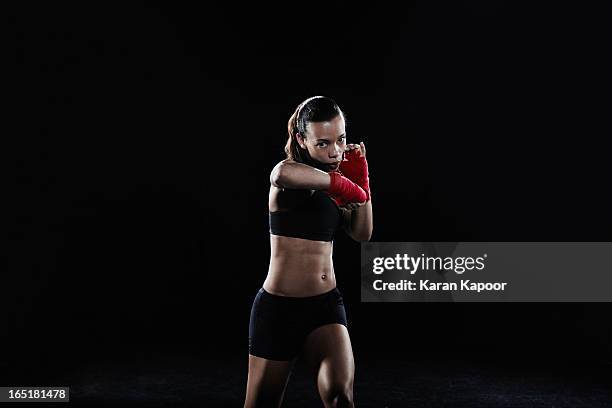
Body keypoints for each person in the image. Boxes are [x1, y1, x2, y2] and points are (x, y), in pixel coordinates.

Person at [243, 96, 373, 407]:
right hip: (278, 310)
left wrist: (363, 183)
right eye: (324, 143)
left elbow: (362, 233)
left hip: (325, 307)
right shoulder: (291, 174)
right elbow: (280, 175)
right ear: (302, 139)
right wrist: (340, 184)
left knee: (341, 397)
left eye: (341, 140)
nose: (336, 151)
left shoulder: (337, 175)